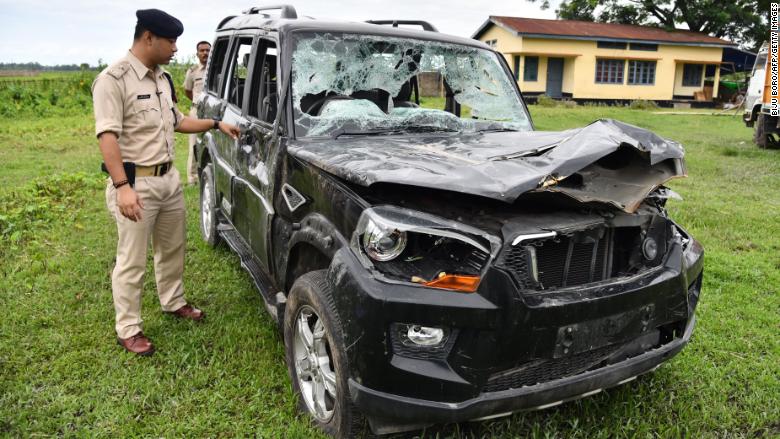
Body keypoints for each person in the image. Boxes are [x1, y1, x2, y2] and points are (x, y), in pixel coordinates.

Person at [92, 9, 240, 356]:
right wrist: (122, 187)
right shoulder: (114, 79)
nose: (176, 47)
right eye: (170, 41)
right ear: (148, 38)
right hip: (136, 184)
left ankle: (173, 301)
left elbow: (177, 120)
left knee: (172, 248)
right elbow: (107, 136)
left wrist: (216, 125)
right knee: (131, 259)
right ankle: (128, 327)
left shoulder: (162, 78)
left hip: (168, 180)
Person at [183, 41, 211, 184]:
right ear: (197, 53)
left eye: (207, 50)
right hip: (197, 111)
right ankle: (192, 178)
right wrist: (196, 103)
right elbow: (188, 90)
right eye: (202, 50)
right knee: (194, 144)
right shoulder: (192, 71)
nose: (205, 53)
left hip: (213, 112)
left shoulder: (216, 69)